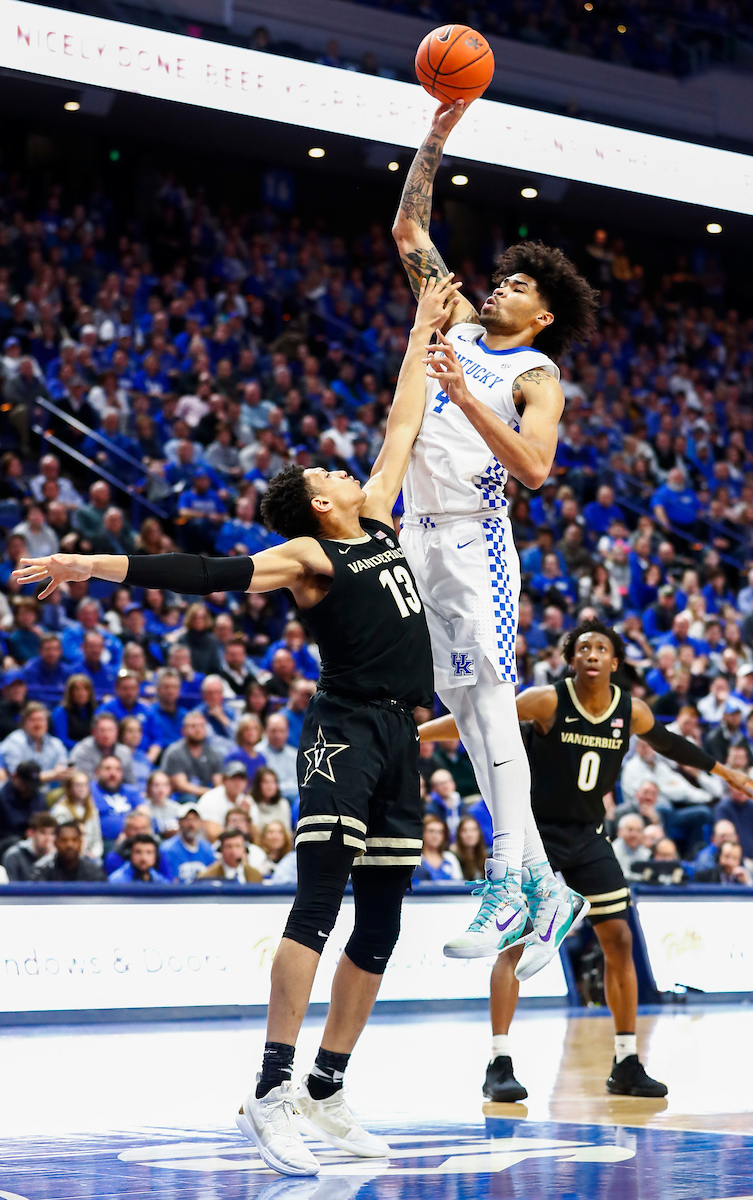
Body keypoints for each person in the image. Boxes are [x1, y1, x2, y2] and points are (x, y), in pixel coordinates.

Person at [14, 275, 458, 1176]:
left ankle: (329, 1090)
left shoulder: (373, 514)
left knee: (381, 927)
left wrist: (421, 323)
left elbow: (404, 421)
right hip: (343, 728)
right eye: (330, 474)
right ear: (318, 504)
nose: (346, 469)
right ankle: (271, 1090)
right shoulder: (305, 552)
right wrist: (92, 564)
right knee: (318, 906)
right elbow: (207, 574)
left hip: (401, 738)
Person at [394, 98, 598, 961]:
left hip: (477, 539)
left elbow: (536, 469)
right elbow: (409, 231)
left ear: (543, 313)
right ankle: (549, 892)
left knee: (488, 711)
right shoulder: (458, 322)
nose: (498, 284)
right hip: (418, 531)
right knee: (469, 718)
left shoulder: (535, 372)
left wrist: (470, 397)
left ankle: (511, 884)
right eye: (502, 277)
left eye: (517, 284)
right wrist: (440, 130)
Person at [420, 617, 753, 1100]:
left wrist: (727, 773)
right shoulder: (548, 700)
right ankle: (499, 1062)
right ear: (572, 658)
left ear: (616, 661)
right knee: (513, 939)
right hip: (534, 834)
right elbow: (479, 724)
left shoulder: (632, 711)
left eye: (602, 647)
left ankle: (626, 1062)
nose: (593, 653)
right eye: (583, 647)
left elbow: (671, 744)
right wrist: (413, 738)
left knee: (619, 938)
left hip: (587, 836)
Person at [161, 711, 224, 802]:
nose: (198, 730)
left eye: (201, 726)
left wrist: (215, 795)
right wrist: (209, 793)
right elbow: (181, 785)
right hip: (179, 797)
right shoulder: (175, 752)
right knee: (189, 798)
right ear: (183, 730)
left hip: (205, 796)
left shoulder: (213, 753)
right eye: (193, 726)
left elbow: (218, 783)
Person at [0, 701, 69, 784]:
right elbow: (19, 778)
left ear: (47, 723)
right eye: (33, 720)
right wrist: (53, 774)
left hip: (49, 792)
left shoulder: (55, 743)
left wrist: (60, 770)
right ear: (23, 723)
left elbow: (64, 768)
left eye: (41, 720)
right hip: (19, 793)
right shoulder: (14, 742)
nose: (38, 724)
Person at [49, 769, 103, 861]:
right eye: (78, 785)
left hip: (89, 855)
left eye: (85, 785)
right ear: (69, 788)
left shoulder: (92, 810)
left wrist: (94, 854)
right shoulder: (60, 810)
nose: (82, 788)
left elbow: (97, 839)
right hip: (67, 854)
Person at [29, 821, 107, 882]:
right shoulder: (42, 870)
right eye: (64, 840)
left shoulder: (94, 871)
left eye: (74, 840)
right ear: (55, 842)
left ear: (80, 842)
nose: (69, 845)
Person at [159, 803, 217, 883]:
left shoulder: (208, 849)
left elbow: (213, 880)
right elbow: (170, 882)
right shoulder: (167, 850)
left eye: (195, 819)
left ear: (200, 823)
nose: (191, 824)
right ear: (179, 822)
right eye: (187, 820)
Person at [197, 760, 250, 842]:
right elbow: (212, 835)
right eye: (233, 779)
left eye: (241, 779)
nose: (237, 783)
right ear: (224, 781)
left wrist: (247, 817)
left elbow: (256, 836)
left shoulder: (247, 801)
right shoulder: (210, 798)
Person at [196, 827, 264, 884]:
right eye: (229, 846)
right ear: (221, 850)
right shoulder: (207, 877)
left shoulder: (255, 875)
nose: (233, 851)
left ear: (244, 849)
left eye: (238, 846)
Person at [2, 811, 57, 881]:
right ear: (31, 833)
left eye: (52, 833)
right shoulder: (13, 856)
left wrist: (51, 857)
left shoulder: (56, 857)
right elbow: (12, 888)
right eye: (43, 833)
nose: (48, 838)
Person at [0, 760, 46, 840]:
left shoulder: (38, 795)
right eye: (26, 785)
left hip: (34, 842)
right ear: (15, 777)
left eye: (32, 785)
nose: (29, 789)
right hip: (7, 842)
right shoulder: (2, 797)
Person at [249, 765, 293, 833]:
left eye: (273, 782)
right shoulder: (249, 802)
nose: (270, 786)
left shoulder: (283, 804)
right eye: (266, 782)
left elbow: (287, 832)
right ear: (257, 785)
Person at [452, 815, 487, 881]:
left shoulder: (485, 857)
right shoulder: (453, 857)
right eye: (465, 831)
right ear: (459, 834)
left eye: (473, 830)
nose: (470, 835)